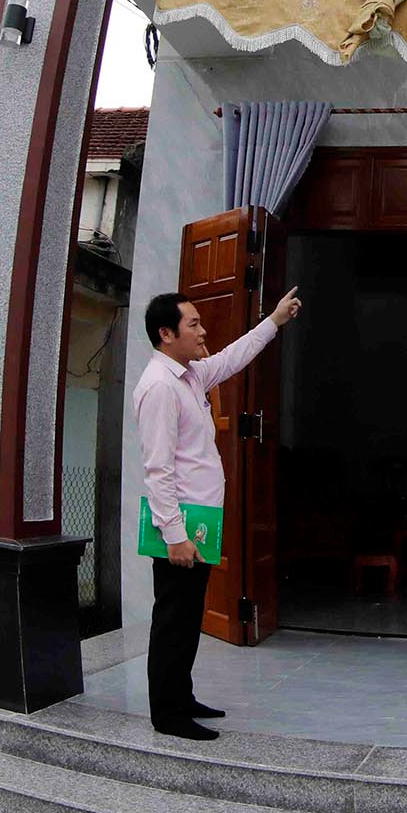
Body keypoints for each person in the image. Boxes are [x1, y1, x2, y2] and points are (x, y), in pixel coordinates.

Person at [133, 285, 302, 741]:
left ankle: (181, 696)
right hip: (180, 526)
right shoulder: (159, 387)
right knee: (173, 620)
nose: (202, 330)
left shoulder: (189, 376)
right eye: (193, 324)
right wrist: (174, 536)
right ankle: (167, 714)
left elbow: (231, 358)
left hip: (199, 521)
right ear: (166, 334)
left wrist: (274, 321)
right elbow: (157, 470)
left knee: (188, 618)